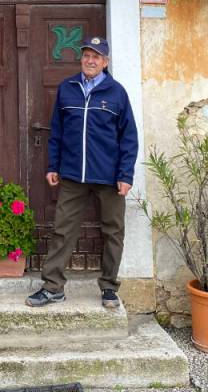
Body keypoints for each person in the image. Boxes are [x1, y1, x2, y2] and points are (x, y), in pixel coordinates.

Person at [26, 36, 138, 309]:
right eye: (86, 55)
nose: (90, 60)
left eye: (96, 56)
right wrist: (53, 166)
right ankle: (53, 287)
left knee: (113, 232)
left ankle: (109, 288)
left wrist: (125, 175)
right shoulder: (67, 88)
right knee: (62, 230)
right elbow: (57, 132)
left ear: (105, 62)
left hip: (109, 177)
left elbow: (129, 137)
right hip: (73, 175)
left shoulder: (117, 93)